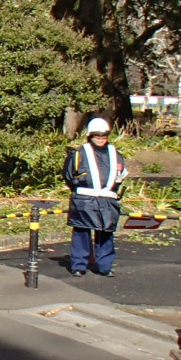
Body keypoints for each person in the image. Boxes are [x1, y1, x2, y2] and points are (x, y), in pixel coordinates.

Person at [64, 117, 127, 277]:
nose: (101, 139)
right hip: (85, 198)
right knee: (81, 232)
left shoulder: (115, 154)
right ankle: (79, 265)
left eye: (104, 136)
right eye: (97, 136)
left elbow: (120, 175)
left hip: (107, 198)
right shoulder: (79, 153)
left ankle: (105, 266)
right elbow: (69, 175)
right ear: (90, 136)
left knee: (105, 232)